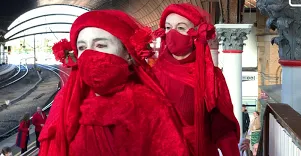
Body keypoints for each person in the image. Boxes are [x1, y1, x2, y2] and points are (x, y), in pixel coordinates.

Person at [38, 10, 189, 156]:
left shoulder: (152, 108)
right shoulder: (67, 104)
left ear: (128, 55)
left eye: (101, 45)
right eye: (82, 47)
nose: (89, 54)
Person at [152, 3, 240, 156]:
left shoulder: (211, 76)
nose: (172, 33)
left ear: (195, 34)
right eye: (168, 28)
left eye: (180, 28)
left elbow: (222, 128)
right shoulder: (152, 74)